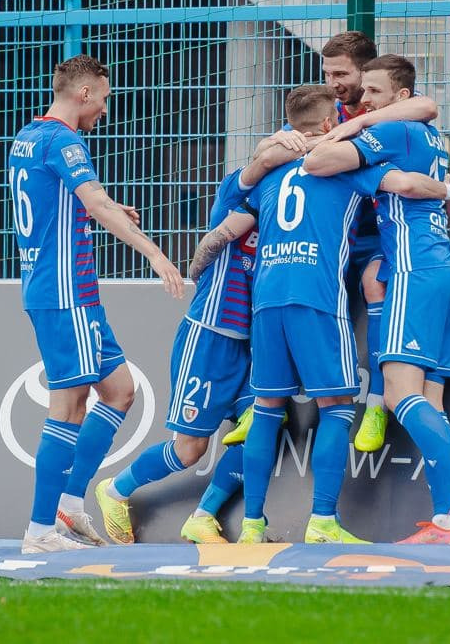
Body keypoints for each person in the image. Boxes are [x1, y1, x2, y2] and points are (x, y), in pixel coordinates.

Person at [195, 85, 449, 544]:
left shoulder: (272, 170)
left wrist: (191, 270)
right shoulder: (345, 166)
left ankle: (252, 526)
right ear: (331, 123)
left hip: (266, 300)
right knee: (336, 409)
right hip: (317, 296)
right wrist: (446, 189)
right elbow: (407, 185)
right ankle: (323, 523)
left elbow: (226, 230)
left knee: (267, 409)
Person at [304, 55, 450, 544]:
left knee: (398, 394)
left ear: (401, 96)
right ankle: (446, 518)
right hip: (445, 271)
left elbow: (317, 163)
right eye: (364, 91)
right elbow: (414, 170)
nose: (364, 99)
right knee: (430, 399)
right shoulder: (426, 136)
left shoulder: (394, 131)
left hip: (413, 273)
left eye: (374, 91)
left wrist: (351, 149)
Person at [91, 130, 308, 545]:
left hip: (252, 341)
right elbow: (263, 160)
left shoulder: (283, 208)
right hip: (209, 336)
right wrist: (305, 141)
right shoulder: (236, 191)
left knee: (264, 425)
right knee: (189, 450)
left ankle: (204, 515)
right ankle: (115, 490)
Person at [9, 54, 185, 554]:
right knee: (68, 405)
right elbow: (94, 203)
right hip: (64, 291)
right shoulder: (65, 141)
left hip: (66, 289)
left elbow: (57, 200)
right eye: (103, 99)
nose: (104, 109)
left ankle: (70, 505)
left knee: (120, 390)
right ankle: (40, 531)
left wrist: (96, 205)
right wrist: (154, 253)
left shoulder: (29, 135)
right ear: (84, 93)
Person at [320, 32, 439, 454]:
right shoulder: (325, 108)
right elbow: (289, 138)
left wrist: (357, 123)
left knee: (374, 282)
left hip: (378, 234)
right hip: (332, 231)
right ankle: (261, 401)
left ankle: (375, 405)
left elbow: (427, 106)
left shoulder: (386, 108)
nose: (333, 83)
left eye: (341, 74)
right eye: (327, 73)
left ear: (365, 71)